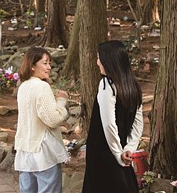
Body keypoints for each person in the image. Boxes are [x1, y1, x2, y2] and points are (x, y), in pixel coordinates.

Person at [82, 40, 143, 193]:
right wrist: (129, 148)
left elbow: (109, 124)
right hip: (119, 149)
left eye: (99, 58)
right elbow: (138, 125)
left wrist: (119, 154)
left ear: (109, 61)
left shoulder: (106, 86)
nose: (97, 63)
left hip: (103, 151)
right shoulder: (133, 86)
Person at [14, 47, 70, 193]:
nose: (49, 67)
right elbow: (53, 119)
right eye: (45, 63)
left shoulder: (23, 86)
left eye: (49, 63)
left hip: (25, 150)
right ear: (32, 66)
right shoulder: (41, 86)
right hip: (42, 151)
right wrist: (61, 100)